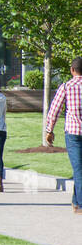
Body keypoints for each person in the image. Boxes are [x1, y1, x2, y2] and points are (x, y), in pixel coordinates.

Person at [45, 56, 82, 215]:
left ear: (72, 70)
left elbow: (54, 111)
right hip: (75, 134)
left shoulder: (66, 87)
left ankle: (78, 203)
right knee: (79, 169)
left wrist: (49, 130)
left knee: (79, 169)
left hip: (73, 133)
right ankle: (77, 201)